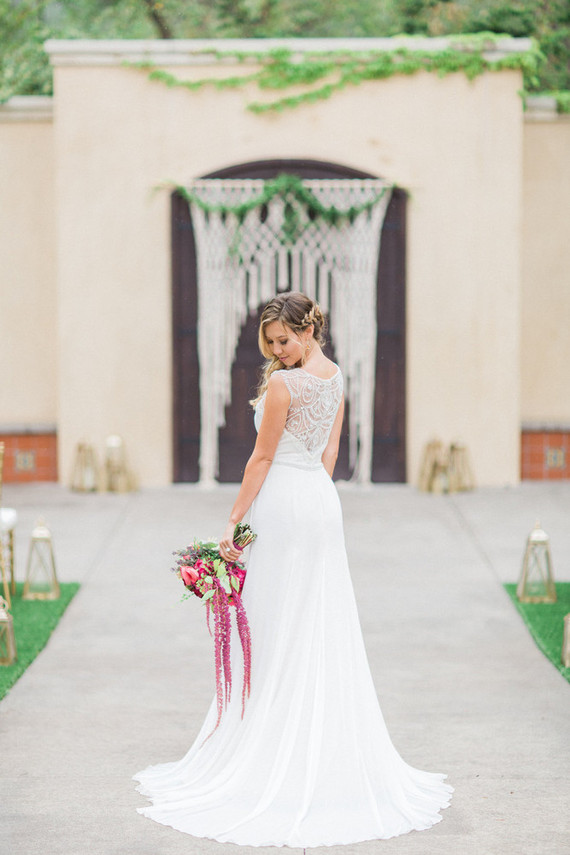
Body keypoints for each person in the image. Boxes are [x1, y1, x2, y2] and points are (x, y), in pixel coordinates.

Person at [134, 291, 452, 847]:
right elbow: (330, 453)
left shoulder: (284, 385)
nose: (277, 351)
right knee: (316, 618)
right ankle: (308, 737)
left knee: (277, 618)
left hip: (284, 502)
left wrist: (233, 519)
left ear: (308, 330)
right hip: (320, 503)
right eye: (271, 343)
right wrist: (312, 494)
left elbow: (261, 457)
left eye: (283, 340)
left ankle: (273, 740)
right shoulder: (336, 379)